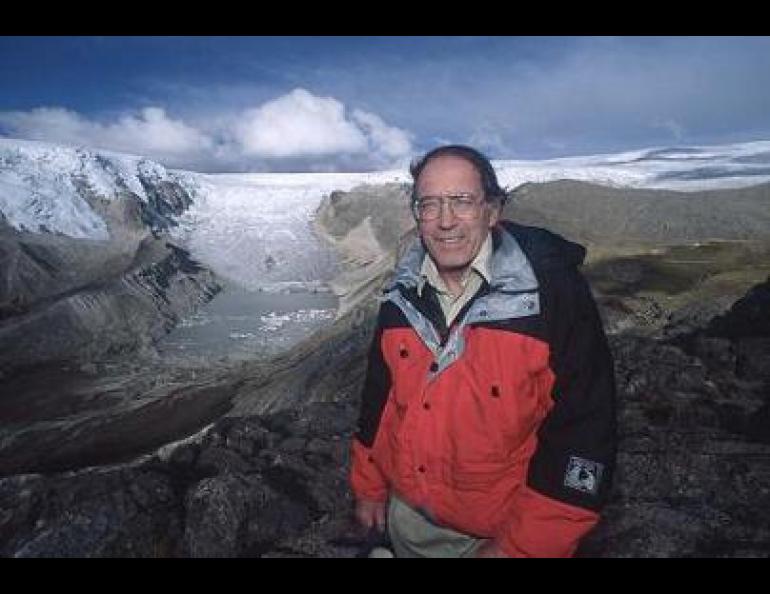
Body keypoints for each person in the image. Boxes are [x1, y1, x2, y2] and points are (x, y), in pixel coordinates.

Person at [349, 145, 617, 558]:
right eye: (429, 204)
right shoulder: (401, 293)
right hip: (406, 525)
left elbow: (584, 430)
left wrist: (518, 549)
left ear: (492, 211)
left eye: (461, 202)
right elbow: (380, 396)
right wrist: (368, 487)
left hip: (498, 536)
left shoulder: (550, 297)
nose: (444, 221)